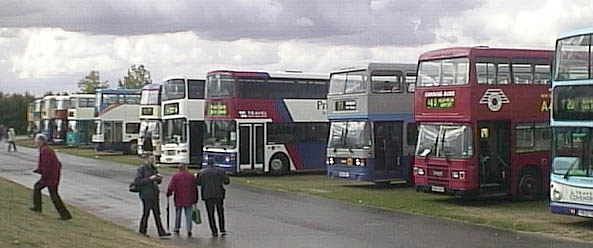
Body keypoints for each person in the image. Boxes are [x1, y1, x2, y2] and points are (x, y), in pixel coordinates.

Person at [30, 133, 72, 220]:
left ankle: (64, 214)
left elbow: (47, 165)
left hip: (50, 177)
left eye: (37, 141)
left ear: (41, 141)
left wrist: (44, 175)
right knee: (46, 191)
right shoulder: (46, 149)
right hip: (52, 176)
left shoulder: (45, 150)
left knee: (50, 193)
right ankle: (64, 214)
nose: (36, 143)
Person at [134, 152, 171, 238]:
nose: (153, 160)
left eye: (154, 159)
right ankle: (142, 230)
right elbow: (137, 181)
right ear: (146, 159)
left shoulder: (154, 169)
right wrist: (150, 179)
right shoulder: (142, 169)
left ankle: (161, 232)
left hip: (154, 193)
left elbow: (158, 181)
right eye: (151, 159)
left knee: (157, 213)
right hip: (146, 194)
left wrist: (158, 179)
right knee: (146, 213)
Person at [196, 160, 230, 236]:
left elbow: (198, 183)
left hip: (207, 195)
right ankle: (222, 228)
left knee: (210, 213)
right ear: (214, 163)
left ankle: (214, 230)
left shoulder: (202, 172)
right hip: (219, 194)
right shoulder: (220, 171)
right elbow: (227, 182)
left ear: (207, 163)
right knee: (220, 212)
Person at [166, 163, 198, 237]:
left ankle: (177, 227)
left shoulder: (176, 176)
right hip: (189, 198)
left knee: (178, 213)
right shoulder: (191, 176)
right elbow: (194, 188)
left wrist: (169, 193)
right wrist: (195, 199)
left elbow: (171, 186)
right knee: (188, 214)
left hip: (179, 197)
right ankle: (189, 229)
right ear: (186, 168)